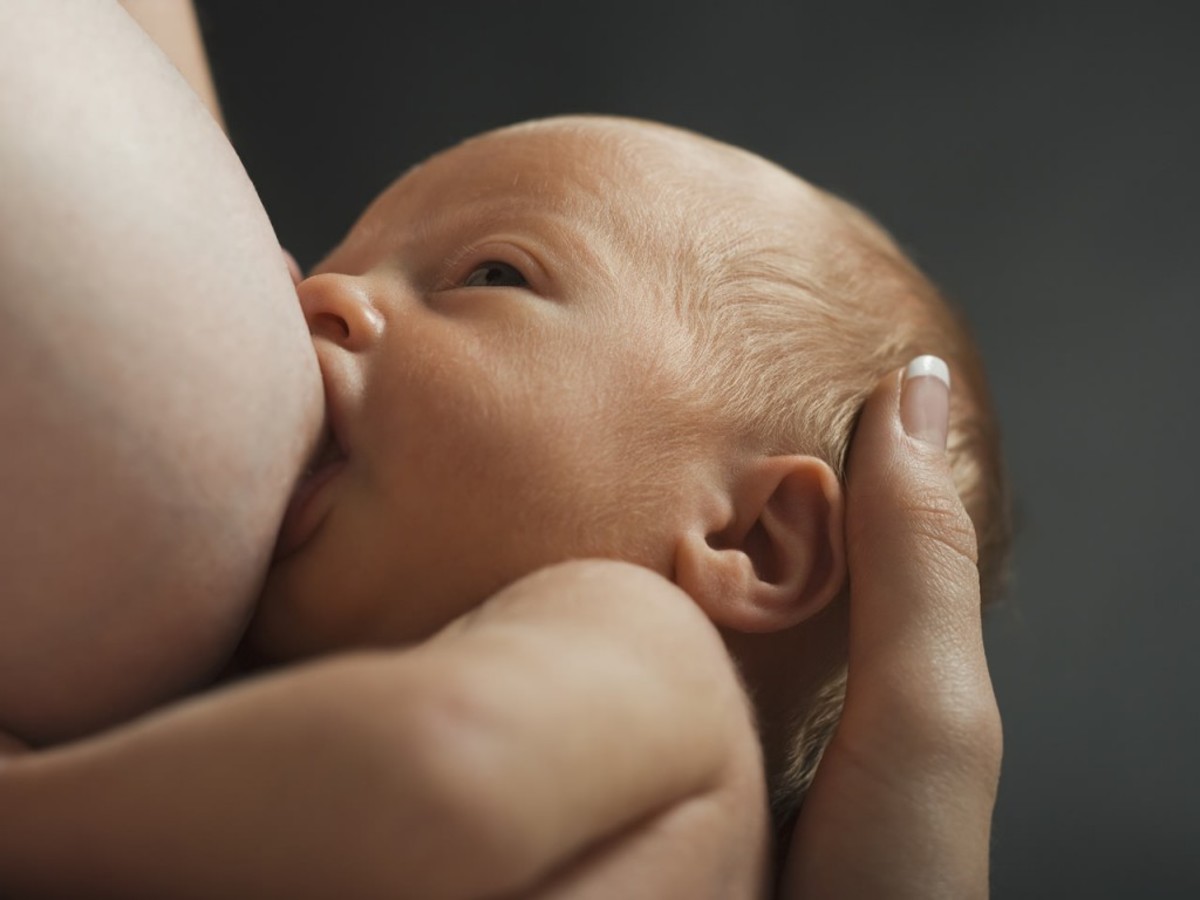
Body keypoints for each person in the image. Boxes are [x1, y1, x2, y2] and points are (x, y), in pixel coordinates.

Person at [0, 2, 1006, 897]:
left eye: (491, 273)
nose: (316, 299)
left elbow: (446, 772)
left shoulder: (643, 634)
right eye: (342, 261)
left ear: (753, 539)